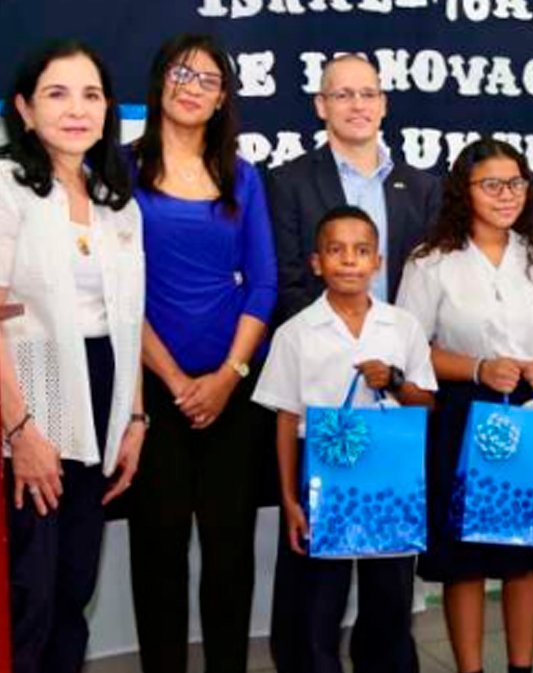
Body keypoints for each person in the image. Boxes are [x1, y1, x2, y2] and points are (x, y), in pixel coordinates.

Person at [397, 137, 533, 673]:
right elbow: (410, 350)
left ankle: (521, 667)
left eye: (516, 183)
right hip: (463, 412)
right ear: (465, 191)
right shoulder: (431, 262)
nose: (507, 195)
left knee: (526, 554)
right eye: (492, 185)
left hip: (530, 411)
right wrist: (477, 368)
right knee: (466, 560)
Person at [124, 33, 277, 673]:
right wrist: (174, 377)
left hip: (231, 392)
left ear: (222, 100)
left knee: (229, 552)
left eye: (208, 80)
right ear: (160, 81)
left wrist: (228, 375)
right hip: (150, 390)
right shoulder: (120, 170)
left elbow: (263, 283)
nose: (192, 87)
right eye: (182, 74)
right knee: (157, 550)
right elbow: (116, 289)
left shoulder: (241, 176)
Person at [0, 40, 145, 673]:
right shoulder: (7, 187)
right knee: (29, 591)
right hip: (30, 400)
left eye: (91, 95)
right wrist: (20, 431)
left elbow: (129, 318)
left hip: (104, 395)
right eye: (57, 94)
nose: (77, 109)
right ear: (25, 110)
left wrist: (135, 418)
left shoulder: (116, 200)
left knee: (74, 584)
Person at [253, 205, 436, 673]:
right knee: (316, 597)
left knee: (390, 594)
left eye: (361, 251)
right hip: (321, 472)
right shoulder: (295, 333)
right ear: (317, 263)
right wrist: (290, 500)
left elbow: (426, 404)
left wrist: (394, 381)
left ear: (378, 261)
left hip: (388, 472)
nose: (349, 260)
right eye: (336, 251)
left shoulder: (403, 326)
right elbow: (285, 419)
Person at [268, 53, 441, 322]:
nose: (358, 105)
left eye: (368, 94)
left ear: (383, 105)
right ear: (321, 106)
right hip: (317, 341)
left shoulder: (422, 189)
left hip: (403, 343)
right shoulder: (288, 183)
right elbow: (287, 283)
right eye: (343, 95)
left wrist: (403, 342)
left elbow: (433, 285)